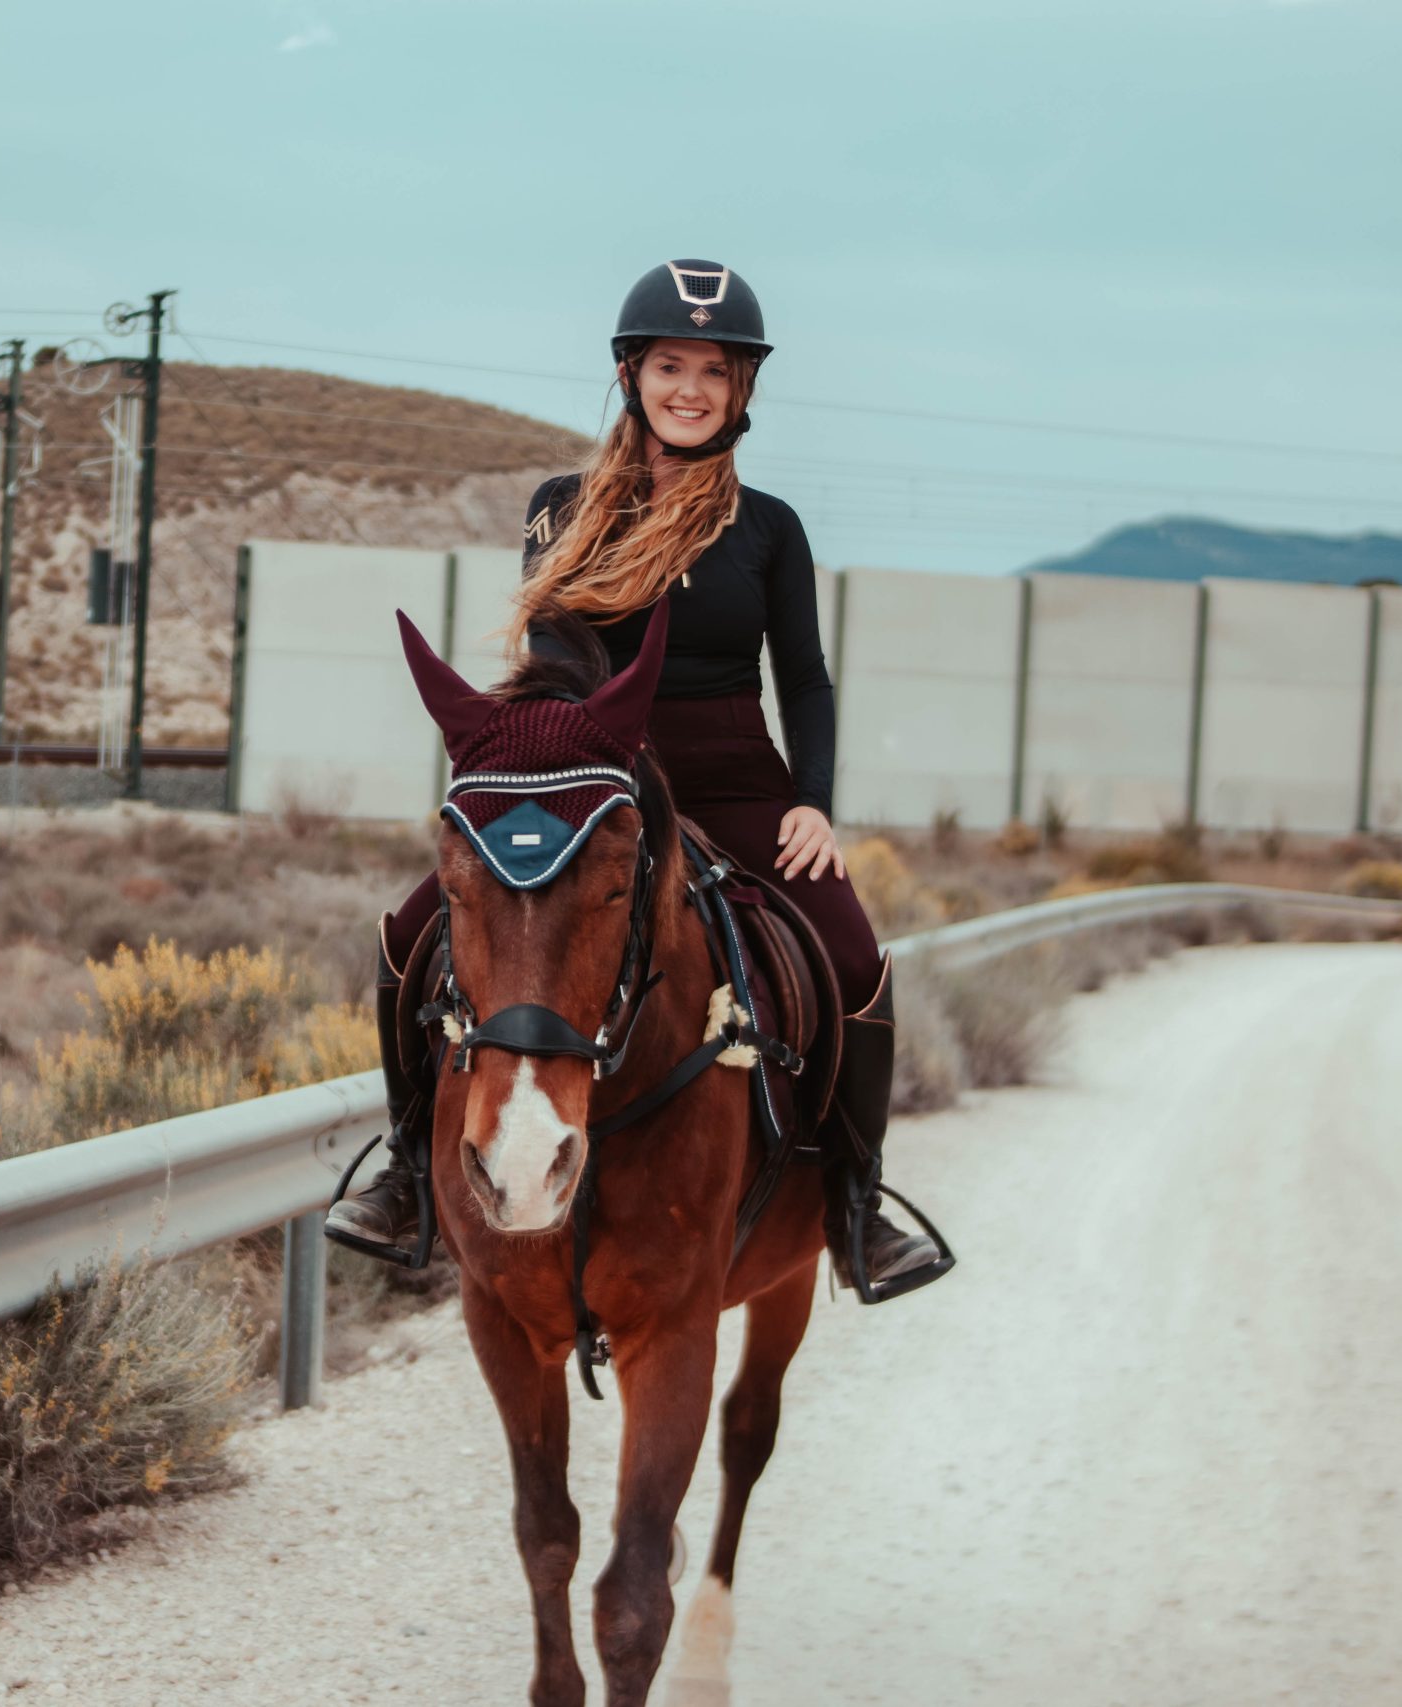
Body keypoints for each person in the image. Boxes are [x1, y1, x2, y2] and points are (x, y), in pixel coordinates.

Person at [327, 258, 952, 1303]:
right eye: (670, 365)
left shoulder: (768, 528)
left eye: (715, 370)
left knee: (852, 955)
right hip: (594, 780)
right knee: (406, 937)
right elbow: (553, 653)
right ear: (631, 374)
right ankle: (403, 1173)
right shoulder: (559, 508)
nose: (691, 389)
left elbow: (801, 674)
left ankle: (856, 1204)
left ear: (740, 390)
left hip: (734, 777)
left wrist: (813, 802)